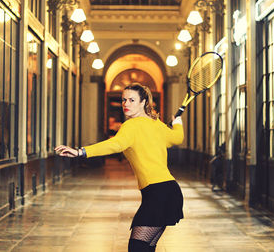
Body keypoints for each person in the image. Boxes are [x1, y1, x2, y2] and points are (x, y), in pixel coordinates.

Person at [55, 83, 184, 252]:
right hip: (168, 191)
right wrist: (178, 122)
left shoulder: (131, 125)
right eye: (123, 100)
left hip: (158, 193)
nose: (126, 104)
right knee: (146, 248)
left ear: (143, 102)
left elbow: (115, 144)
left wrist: (81, 152)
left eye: (131, 100)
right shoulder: (157, 124)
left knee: (137, 247)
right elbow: (176, 138)